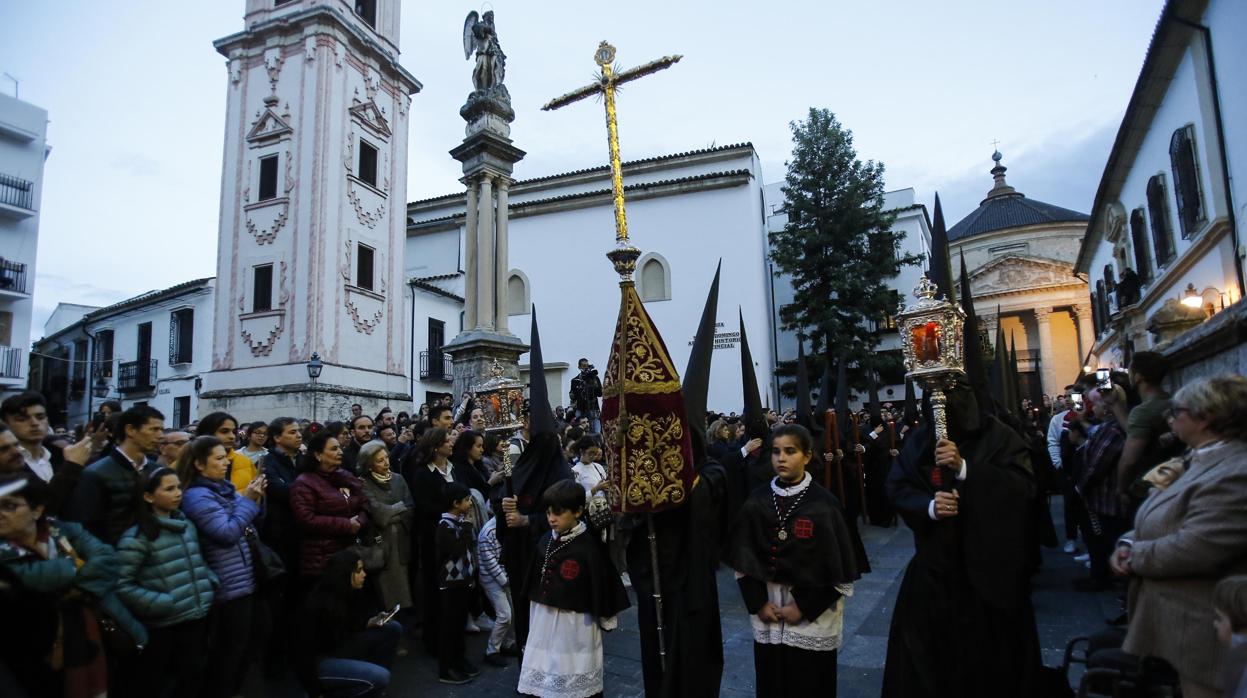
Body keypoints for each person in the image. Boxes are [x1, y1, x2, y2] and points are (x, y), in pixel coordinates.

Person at [882, 378, 1042, 697]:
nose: (945, 406)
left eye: (953, 394)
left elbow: (1023, 489)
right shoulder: (920, 440)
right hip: (934, 572)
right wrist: (928, 507)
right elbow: (897, 485)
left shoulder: (999, 436)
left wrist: (967, 469)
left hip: (988, 575)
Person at [1110, 375, 1247, 698]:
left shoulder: (1236, 472)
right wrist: (1129, 540)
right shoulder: (1201, 457)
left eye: (1177, 412)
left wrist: (1134, 556)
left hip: (1204, 627)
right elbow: (1163, 512)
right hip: (1180, 621)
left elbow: (1198, 547)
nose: (1170, 419)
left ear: (1206, 417)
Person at [724, 424, 860, 697]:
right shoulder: (758, 500)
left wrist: (804, 607)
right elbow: (743, 561)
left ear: (807, 456)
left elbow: (840, 570)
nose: (781, 458)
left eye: (790, 451)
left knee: (810, 682)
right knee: (772, 680)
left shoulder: (824, 504)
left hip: (812, 615)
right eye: (775, 452)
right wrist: (758, 603)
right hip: (769, 608)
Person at [0, 474, 147, 698]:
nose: (1, 514)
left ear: (37, 510)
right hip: (37, 651)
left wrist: (64, 580)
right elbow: (30, 580)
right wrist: (76, 565)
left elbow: (107, 559)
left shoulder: (62, 529)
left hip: (97, 628)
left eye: (10, 506)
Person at [517, 480, 629, 697]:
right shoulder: (545, 541)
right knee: (545, 674)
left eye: (558, 513)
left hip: (575, 625)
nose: (551, 518)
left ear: (578, 511)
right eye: (548, 512)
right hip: (543, 620)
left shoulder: (589, 547)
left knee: (571, 672)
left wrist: (606, 617)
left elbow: (602, 583)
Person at [177, 435, 265, 698]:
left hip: (243, 577)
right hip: (226, 583)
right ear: (199, 465)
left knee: (247, 644)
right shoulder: (196, 496)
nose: (226, 461)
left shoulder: (222, 488)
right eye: (218, 458)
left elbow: (250, 519)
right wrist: (249, 500)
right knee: (228, 653)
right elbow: (226, 532)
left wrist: (256, 496)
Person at [115, 467, 215, 698]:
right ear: (148, 496)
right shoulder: (138, 537)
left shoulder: (186, 525)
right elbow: (122, 584)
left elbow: (197, 561)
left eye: (178, 487)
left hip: (195, 614)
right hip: (164, 624)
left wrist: (209, 582)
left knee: (192, 676)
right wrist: (161, 603)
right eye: (169, 489)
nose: (178, 493)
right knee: (159, 683)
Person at [294, 549, 403, 698]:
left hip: (338, 648)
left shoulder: (347, 593)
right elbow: (302, 654)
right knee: (380, 677)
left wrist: (369, 622)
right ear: (344, 574)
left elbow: (350, 622)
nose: (364, 574)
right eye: (358, 571)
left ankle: (372, 686)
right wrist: (314, 691)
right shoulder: (316, 603)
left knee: (391, 628)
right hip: (319, 663)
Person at [63, 405, 164, 545]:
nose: (160, 436)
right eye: (154, 429)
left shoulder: (156, 470)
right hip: (112, 555)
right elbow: (84, 528)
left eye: (161, 430)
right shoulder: (94, 474)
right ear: (130, 430)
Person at [290, 431, 370, 579]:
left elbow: (364, 502)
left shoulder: (345, 476)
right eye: (333, 449)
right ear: (318, 455)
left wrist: (360, 521)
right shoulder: (305, 483)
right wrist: (346, 525)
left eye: (339, 447)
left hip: (351, 552)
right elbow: (306, 520)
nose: (340, 452)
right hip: (321, 558)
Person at [258, 416, 303, 676]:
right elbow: (282, 492)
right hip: (278, 537)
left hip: (298, 536)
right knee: (278, 602)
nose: (299, 435)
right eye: (292, 432)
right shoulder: (270, 463)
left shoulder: (298, 462)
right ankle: (273, 660)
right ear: (277, 437)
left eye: (299, 432)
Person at [1076, 385, 1130, 590]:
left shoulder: (1113, 430)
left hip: (1109, 499)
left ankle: (1118, 586)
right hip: (1104, 498)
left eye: (1095, 403)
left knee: (1111, 542)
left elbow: (1097, 464)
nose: (1092, 408)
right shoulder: (1107, 428)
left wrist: (1080, 487)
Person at [357, 439, 414, 614]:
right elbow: (377, 513)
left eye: (387, 458)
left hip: (402, 540)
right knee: (384, 591)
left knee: (404, 588)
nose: (386, 462)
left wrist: (391, 512)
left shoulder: (399, 479)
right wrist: (397, 508)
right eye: (380, 460)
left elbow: (410, 508)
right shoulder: (362, 483)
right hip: (380, 542)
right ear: (368, 464)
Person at [435, 482, 480, 684]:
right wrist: (466, 529)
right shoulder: (444, 526)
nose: (470, 503)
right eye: (467, 500)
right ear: (455, 503)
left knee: (460, 623)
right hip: (450, 584)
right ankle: (446, 668)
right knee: (450, 627)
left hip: (463, 581)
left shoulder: (459, 523)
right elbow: (456, 551)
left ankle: (459, 660)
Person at [478, 512, 518, 667]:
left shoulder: (508, 525)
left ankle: (508, 643)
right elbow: (490, 562)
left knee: (512, 612)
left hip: (505, 578)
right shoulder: (488, 531)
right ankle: (492, 651)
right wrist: (505, 580)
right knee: (504, 615)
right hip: (492, 580)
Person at [196, 412, 256, 494]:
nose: (232, 436)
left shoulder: (245, 461)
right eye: (224, 431)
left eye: (234, 432)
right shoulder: (187, 461)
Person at [569, 358, 603, 433]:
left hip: (593, 408)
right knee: (580, 431)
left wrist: (594, 382)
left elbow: (600, 394)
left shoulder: (595, 378)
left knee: (596, 431)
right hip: (581, 409)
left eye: (587, 366)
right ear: (579, 367)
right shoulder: (575, 381)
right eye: (584, 366)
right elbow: (572, 396)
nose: (586, 368)